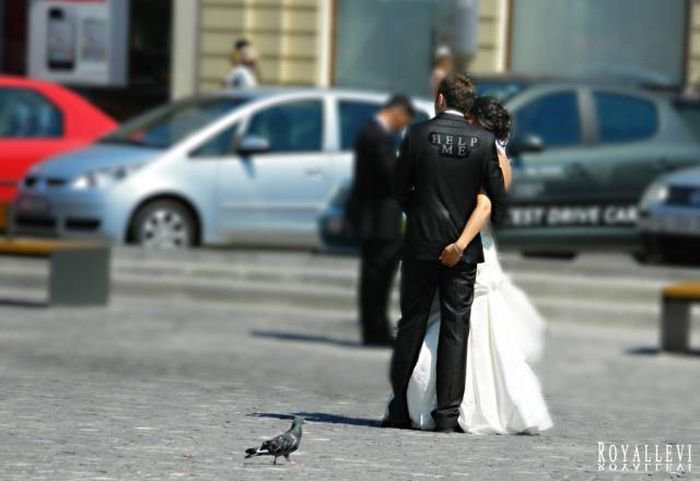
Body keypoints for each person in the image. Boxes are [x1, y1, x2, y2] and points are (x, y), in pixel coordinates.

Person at [404, 95, 553, 434]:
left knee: (463, 326)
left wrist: (458, 244)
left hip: (470, 247)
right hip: (476, 246)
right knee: (468, 328)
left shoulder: (491, 158)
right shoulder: (496, 156)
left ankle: (453, 405)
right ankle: (457, 403)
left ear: (477, 124)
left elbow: (484, 207)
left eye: (468, 121)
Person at [384, 74, 508, 432]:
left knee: (411, 323)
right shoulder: (484, 141)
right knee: (456, 328)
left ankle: (399, 408)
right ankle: (447, 414)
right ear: (467, 105)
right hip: (463, 252)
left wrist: (419, 214)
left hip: (421, 245)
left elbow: (397, 188)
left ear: (440, 99)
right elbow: (497, 199)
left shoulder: (417, 134)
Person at [346, 95, 416, 347]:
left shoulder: (375, 133)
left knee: (379, 277)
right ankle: (375, 331)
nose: (401, 127)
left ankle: (377, 329)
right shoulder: (374, 135)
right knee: (376, 277)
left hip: (380, 218)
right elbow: (390, 174)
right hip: (377, 219)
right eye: (403, 121)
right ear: (397, 112)